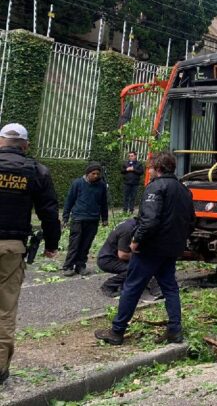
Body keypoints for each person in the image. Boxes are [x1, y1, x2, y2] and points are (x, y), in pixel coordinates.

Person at [95, 152, 194, 346]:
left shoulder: (155, 187)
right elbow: (191, 221)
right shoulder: (184, 190)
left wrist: (136, 241)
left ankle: (117, 331)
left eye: (150, 167)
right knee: (170, 288)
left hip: (151, 248)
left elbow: (149, 220)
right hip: (172, 248)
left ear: (158, 168)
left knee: (132, 287)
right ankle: (175, 330)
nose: (149, 170)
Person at [0, 123, 60, 385]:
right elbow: (49, 212)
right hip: (11, 248)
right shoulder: (36, 171)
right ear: (25, 145)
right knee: (4, 309)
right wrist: (51, 244)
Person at [62, 162, 109, 276]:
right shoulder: (77, 183)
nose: (96, 176)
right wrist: (65, 217)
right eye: (93, 173)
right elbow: (69, 200)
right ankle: (68, 266)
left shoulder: (101, 185)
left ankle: (80, 266)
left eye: (98, 174)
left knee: (86, 244)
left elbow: (104, 202)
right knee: (74, 244)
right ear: (87, 173)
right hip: (78, 218)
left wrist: (105, 218)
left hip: (93, 219)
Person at [97, 217, 162, 299]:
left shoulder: (134, 223)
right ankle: (109, 285)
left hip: (116, 257)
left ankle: (154, 287)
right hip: (108, 260)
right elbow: (123, 255)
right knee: (137, 268)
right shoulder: (128, 229)